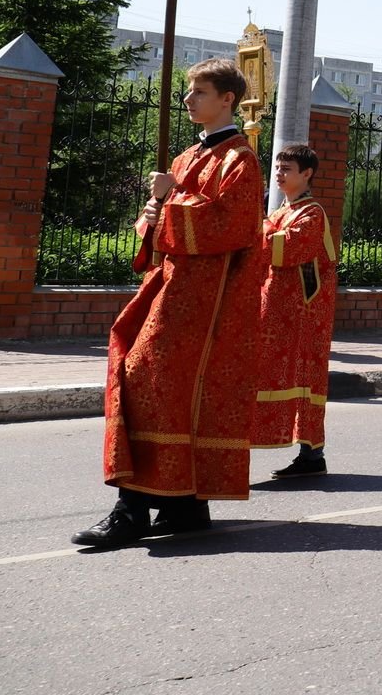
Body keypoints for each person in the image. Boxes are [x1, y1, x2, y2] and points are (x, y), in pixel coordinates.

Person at [73, 60, 267, 549]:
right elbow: (157, 228)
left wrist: (173, 198)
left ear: (227, 98)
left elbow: (233, 226)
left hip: (205, 303)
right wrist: (151, 214)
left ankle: (131, 510)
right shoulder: (184, 157)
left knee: (145, 381)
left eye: (199, 92)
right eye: (187, 91)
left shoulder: (239, 160)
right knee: (161, 388)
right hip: (170, 288)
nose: (187, 100)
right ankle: (184, 504)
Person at [251, 143, 338, 479]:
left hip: (303, 316)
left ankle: (312, 454)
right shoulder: (279, 213)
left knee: (303, 379)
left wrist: (257, 228)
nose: (279, 173)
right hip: (275, 310)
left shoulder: (311, 213)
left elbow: (287, 249)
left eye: (286, 169)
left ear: (307, 174)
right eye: (277, 167)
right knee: (268, 374)